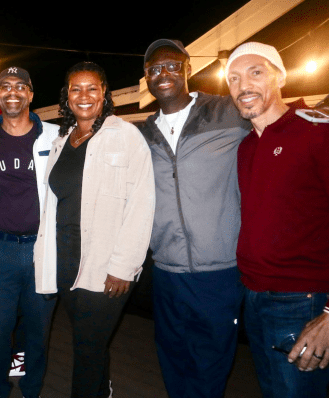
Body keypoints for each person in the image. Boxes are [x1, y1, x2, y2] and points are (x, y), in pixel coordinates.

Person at [33, 61, 155, 397]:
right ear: (67, 96)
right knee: (90, 345)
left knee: (86, 350)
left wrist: (123, 267)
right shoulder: (61, 141)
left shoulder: (126, 135)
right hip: (66, 263)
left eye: (92, 88)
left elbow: (142, 205)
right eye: (76, 88)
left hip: (106, 267)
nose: (83, 95)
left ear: (105, 94)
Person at [139, 39, 251, 398]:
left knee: (211, 362)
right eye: (154, 69)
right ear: (147, 79)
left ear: (187, 68)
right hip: (167, 270)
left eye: (172, 65)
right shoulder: (143, 133)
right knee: (173, 358)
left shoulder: (227, 111)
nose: (163, 74)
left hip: (219, 269)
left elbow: (274, 124)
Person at [226, 42, 329, 398]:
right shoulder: (246, 147)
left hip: (305, 301)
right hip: (254, 298)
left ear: (281, 76)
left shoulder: (318, 132)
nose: (244, 86)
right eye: (234, 79)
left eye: (256, 72)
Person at [0, 66, 58, 398]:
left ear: (31, 94)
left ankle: (32, 390)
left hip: (42, 248)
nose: (13, 92)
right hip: (1, 249)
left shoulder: (56, 136)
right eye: (5, 86)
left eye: (20, 86)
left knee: (39, 330)